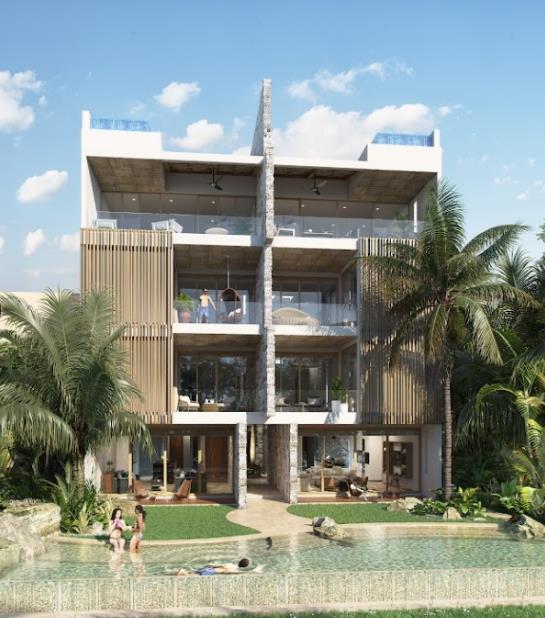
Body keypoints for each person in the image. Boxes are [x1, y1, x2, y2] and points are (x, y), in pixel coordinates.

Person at [173, 558, 263, 576]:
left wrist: (209, 564)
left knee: (194, 572)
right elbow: (240, 573)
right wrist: (254, 571)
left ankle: (183, 571)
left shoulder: (230, 564)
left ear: (239, 561)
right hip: (211, 572)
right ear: (244, 566)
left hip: (210, 568)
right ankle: (183, 572)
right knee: (192, 576)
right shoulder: (234, 569)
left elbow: (218, 565)